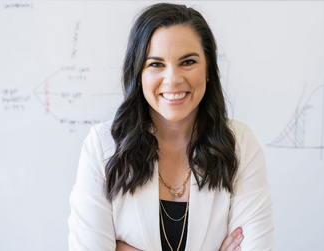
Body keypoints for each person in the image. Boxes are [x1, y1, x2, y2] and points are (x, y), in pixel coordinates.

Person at [68, 3, 274, 251]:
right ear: (138, 73)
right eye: (156, 64)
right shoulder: (101, 146)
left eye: (188, 62)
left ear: (208, 69)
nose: (173, 79)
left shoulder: (240, 144)